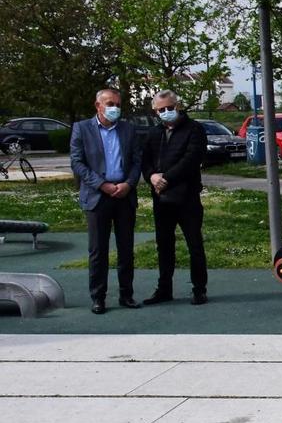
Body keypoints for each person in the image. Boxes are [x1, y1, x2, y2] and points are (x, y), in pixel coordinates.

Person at [69, 88, 143, 314]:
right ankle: (98, 297)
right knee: (98, 250)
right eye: (110, 103)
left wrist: (128, 184)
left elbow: (136, 161)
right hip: (97, 197)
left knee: (126, 249)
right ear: (98, 105)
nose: (115, 108)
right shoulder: (82, 129)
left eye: (118, 104)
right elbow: (77, 163)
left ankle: (126, 295)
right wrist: (102, 184)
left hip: (124, 195)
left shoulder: (128, 129)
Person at [141, 90, 208, 306]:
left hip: (187, 197)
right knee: (164, 245)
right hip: (161, 199)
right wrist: (151, 177)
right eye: (162, 109)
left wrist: (166, 179)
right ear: (155, 111)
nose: (167, 112)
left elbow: (191, 159)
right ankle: (164, 289)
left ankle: (199, 289)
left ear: (177, 106)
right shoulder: (153, 133)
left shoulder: (194, 129)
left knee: (194, 244)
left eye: (170, 108)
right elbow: (145, 161)